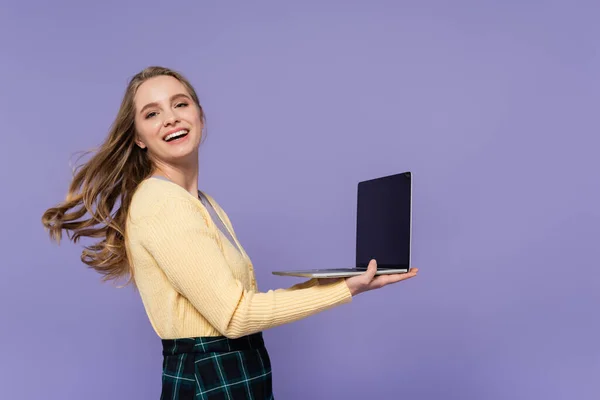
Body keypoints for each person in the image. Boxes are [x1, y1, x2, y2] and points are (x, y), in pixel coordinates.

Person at [41, 66, 418, 399]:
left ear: (200, 115)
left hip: (237, 370)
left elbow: (240, 304)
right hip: (209, 376)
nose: (170, 118)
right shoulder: (160, 202)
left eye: (180, 104)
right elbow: (235, 316)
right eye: (152, 113)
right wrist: (344, 289)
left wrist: (348, 283)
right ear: (138, 136)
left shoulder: (201, 202)